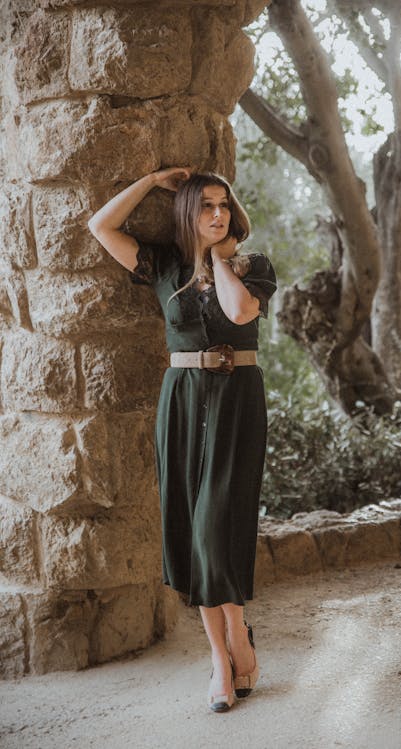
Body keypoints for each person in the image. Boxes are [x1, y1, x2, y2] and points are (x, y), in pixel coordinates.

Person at [87, 167, 277, 713]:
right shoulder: (164, 265)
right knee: (190, 529)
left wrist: (218, 258)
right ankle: (221, 658)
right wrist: (149, 181)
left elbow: (241, 312)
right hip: (181, 399)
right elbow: (100, 226)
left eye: (223, 205)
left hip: (237, 398)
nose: (216, 214)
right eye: (204, 207)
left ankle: (237, 634)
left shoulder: (252, 265)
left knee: (218, 522)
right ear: (187, 213)